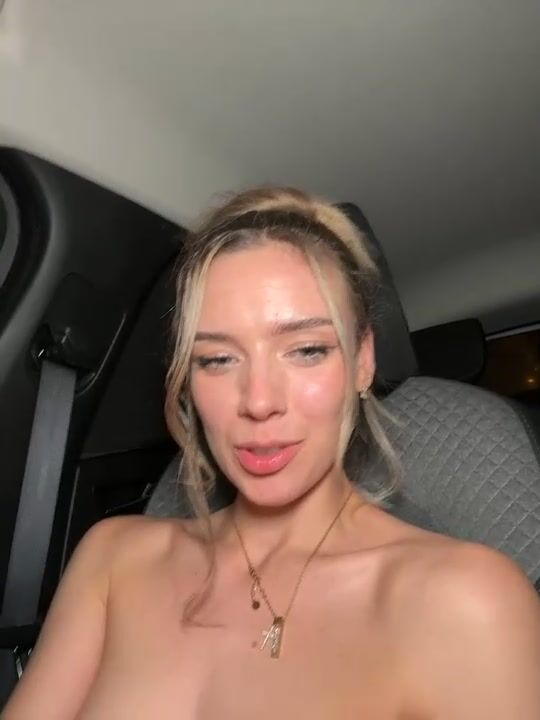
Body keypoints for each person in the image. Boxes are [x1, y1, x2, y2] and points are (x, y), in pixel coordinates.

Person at [4, 187, 540, 719]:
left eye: (306, 350)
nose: (259, 402)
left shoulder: (467, 602)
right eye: (217, 359)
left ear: (362, 362)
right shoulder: (112, 559)